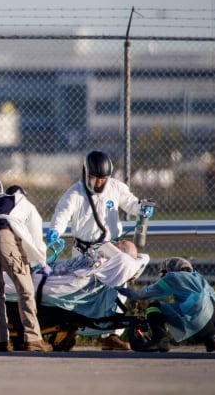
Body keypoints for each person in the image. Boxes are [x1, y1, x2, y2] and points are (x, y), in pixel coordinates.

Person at [46, 150, 154, 351]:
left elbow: (130, 203)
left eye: (103, 180)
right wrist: (55, 231)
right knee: (82, 294)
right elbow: (62, 214)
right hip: (85, 254)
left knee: (118, 287)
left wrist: (142, 208)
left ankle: (111, 335)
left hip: (112, 249)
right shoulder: (75, 194)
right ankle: (72, 329)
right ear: (86, 174)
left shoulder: (115, 188)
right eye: (95, 179)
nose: (99, 184)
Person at [0, 185, 52, 352]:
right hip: (4, 236)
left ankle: (2, 340)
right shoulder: (27, 205)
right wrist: (42, 262)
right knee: (25, 289)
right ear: (23, 194)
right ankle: (33, 338)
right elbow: (35, 237)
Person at [119, 257, 215, 353]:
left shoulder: (173, 277)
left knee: (154, 307)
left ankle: (160, 340)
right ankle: (212, 341)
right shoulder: (199, 277)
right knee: (200, 307)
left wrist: (126, 291)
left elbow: (144, 294)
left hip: (197, 322)